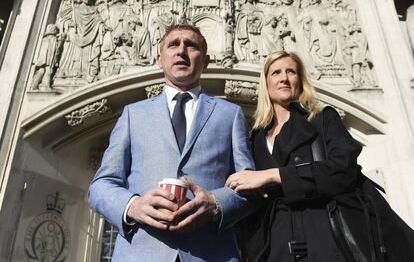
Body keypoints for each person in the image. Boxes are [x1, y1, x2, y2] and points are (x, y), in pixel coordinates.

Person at [225, 51, 414, 262]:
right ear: (266, 82)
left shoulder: (322, 120)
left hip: (326, 235)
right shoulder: (256, 139)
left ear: (300, 80)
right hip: (275, 245)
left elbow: (344, 170)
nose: (284, 78)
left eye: (291, 72)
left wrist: (275, 175)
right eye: (276, 73)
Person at [88, 24, 255, 262]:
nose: (181, 51)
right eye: (173, 44)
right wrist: (133, 206)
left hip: (210, 253)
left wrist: (216, 203)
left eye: (191, 45)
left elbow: (250, 187)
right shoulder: (133, 114)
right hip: (140, 252)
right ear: (159, 59)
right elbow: (100, 185)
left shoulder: (230, 115)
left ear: (205, 61)